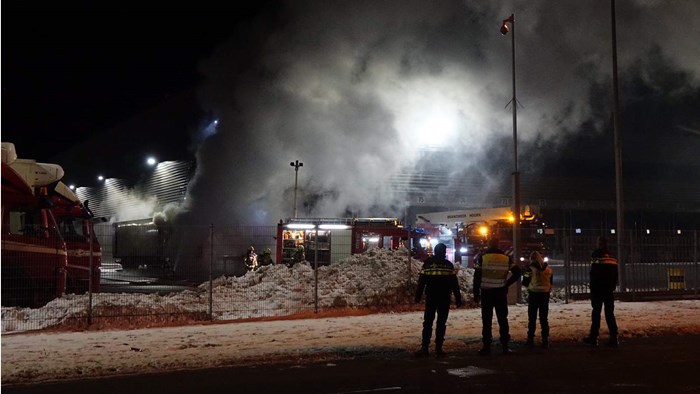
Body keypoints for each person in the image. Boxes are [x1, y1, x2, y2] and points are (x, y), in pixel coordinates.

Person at [473, 237, 522, 355]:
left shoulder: (483, 258)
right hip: (500, 293)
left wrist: (476, 294)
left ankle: (486, 346)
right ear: (498, 244)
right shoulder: (506, 258)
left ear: (489, 245)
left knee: (487, 320)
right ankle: (505, 345)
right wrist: (507, 284)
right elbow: (518, 273)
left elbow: (477, 277)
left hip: (486, 293)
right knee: (502, 319)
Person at [414, 243, 463, 358]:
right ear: (444, 252)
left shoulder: (428, 264)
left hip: (431, 297)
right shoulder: (448, 265)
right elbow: (454, 284)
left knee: (428, 322)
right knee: (441, 323)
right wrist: (458, 298)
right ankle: (439, 348)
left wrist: (418, 296)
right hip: (444, 297)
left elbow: (422, 282)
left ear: (435, 251)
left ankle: (425, 347)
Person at [583, 236, 619, 347]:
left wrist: (592, 288)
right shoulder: (612, 256)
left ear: (599, 243)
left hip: (598, 289)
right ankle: (614, 337)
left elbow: (594, 273)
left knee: (596, 313)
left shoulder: (596, 254)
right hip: (608, 290)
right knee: (609, 314)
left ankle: (593, 337)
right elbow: (615, 274)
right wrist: (612, 286)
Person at [522, 251, 553, 348]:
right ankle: (545, 339)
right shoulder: (548, 268)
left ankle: (530, 339)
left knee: (532, 318)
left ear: (531, 259)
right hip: (545, 294)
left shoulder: (530, 269)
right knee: (544, 318)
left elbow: (525, 282)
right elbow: (551, 281)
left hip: (534, 294)